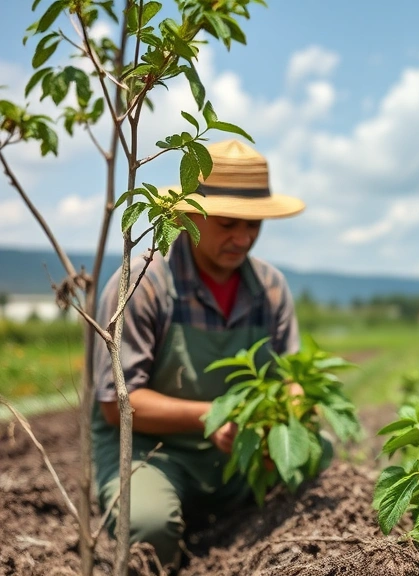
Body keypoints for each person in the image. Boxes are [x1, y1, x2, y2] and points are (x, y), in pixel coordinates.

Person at [91, 139, 305, 570]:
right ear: (190, 214)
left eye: (254, 226)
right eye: (228, 223)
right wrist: (212, 416)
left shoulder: (271, 287)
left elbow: (291, 378)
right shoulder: (143, 284)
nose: (243, 238)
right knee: (150, 527)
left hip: (233, 453)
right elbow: (118, 404)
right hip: (155, 453)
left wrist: (286, 419)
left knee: (315, 455)